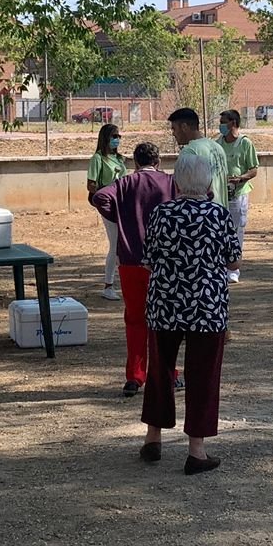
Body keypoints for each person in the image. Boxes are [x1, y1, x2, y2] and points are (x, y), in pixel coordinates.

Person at [140, 147, 239, 474]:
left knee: (160, 371)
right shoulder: (220, 215)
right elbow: (233, 260)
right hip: (207, 307)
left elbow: (148, 259)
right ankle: (196, 450)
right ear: (208, 181)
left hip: (165, 303)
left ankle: (153, 437)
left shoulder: (160, 213)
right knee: (203, 376)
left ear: (177, 181)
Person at [89, 141, 178, 396]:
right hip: (162, 262)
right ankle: (168, 374)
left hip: (130, 260)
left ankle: (135, 376)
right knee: (164, 320)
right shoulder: (169, 182)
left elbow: (100, 196)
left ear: (135, 163)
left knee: (135, 319)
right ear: (158, 161)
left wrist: (118, 216)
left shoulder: (125, 183)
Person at [216, 109, 260, 282]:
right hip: (221, 193)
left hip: (238, 194)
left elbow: (254, 169)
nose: (221, 126)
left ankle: (233, 270)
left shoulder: (245, 143)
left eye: (223, 122)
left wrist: (241, 178)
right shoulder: (217, 143)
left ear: (233, 123)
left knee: (236, 231)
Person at [86, 123, 126, 301]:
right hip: (109, 204)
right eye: (113, 136)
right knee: (115, 242)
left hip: (122, 203)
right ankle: (108, 285)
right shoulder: (98, 159)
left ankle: (118, 282)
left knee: (122, 243)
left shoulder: (120, 159)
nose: (117, 140)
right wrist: (106, 193)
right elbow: (91, 184)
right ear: (105, 138)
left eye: (118, 137)